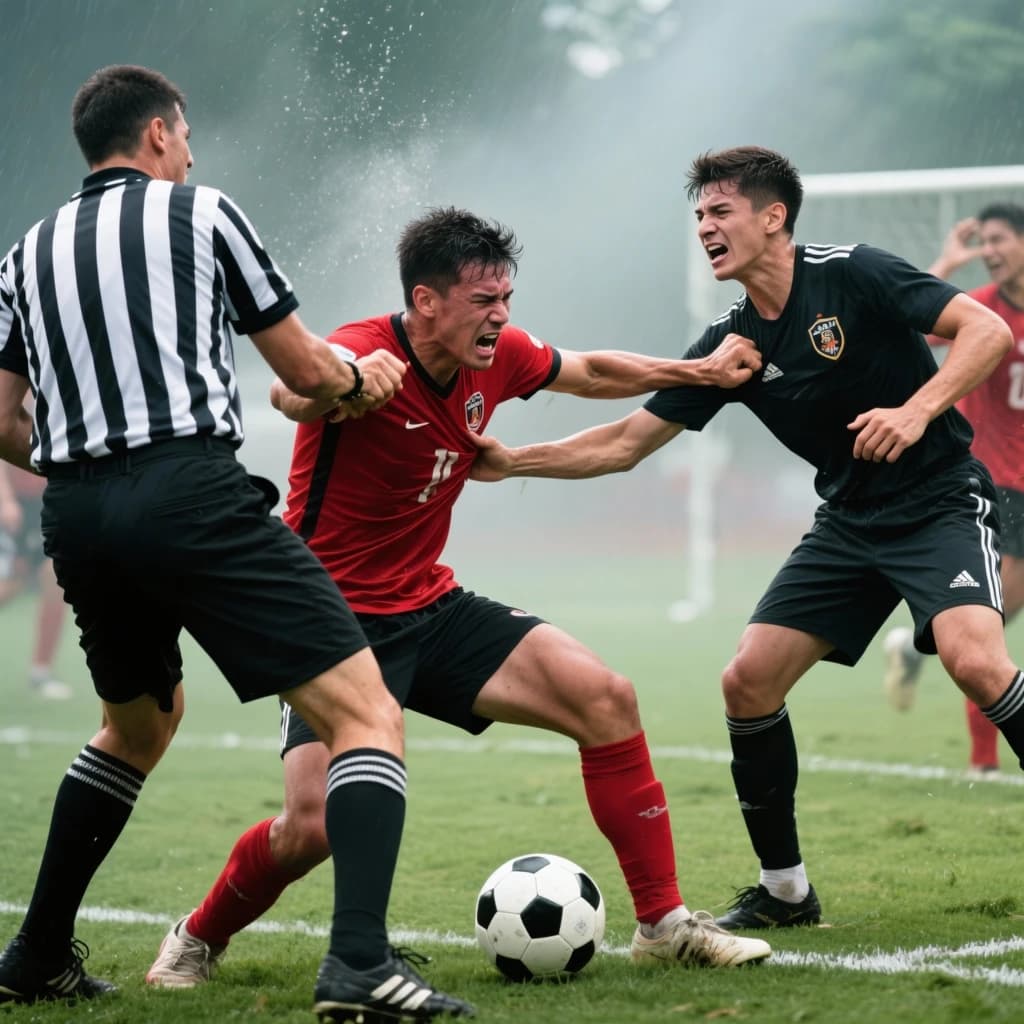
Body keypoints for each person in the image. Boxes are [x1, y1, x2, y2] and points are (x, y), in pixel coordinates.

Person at [144, 206, 771, 989]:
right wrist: (339, 388)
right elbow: (291, 395)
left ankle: (664, 924)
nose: (501, 315)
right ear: (426, 301)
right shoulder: (367, 350)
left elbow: (592, 373)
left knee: (606, 697)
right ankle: (197, 937)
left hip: (431, 606)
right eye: (483, 299)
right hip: (329, 620)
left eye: (506, 296)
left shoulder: (497, 355)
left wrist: (699, 372)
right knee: (311, 828)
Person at [0, 64, 476, 1022]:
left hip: (80, 514)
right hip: (191, 492)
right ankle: (359, 968)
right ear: (164, 134)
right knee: (367, 715)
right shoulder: (202, 213)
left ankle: (35, 954)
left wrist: (89, 471)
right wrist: (359, 378)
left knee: (136, 727)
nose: (192, 154)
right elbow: (300, 365)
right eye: (187, 139)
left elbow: (4, 421)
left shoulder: (24, 253)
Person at [468, 146, 1021, 931]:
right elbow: (626, 443)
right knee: (748, 682)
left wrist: (916, 410)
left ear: (774, 218)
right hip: (847, 524)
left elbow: (986, 330)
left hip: (937, 501)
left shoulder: (852, 270)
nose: (704, 227)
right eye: (697, 215)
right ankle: (787, 893)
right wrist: (510, 460)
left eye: (720, 211)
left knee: (973, 660)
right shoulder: (728, 346)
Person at [883, 203, 1024, 775]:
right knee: (985, 631)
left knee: (983, 630)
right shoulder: (981, 308)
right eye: (983, 242)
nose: (989, 250)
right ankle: (984, 763)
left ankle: (914, 651)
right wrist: (945, 262)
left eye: (999, 240)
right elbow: (906, 326)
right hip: (997, 484)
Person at [0, 458, 70, 699]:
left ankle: (41, 671)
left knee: (55, 576)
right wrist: (6, 499)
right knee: (12, 584)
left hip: (50, 499)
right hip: (19, 504)